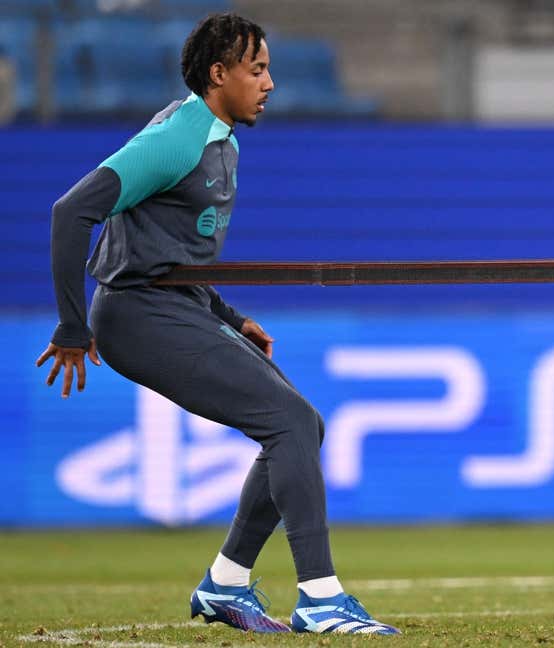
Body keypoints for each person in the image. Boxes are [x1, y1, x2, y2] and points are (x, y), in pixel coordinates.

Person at [37, 13, 398, 636]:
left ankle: (224, 586)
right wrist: (72, 326)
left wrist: (230, 317)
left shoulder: (221, 140)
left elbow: (167, 254)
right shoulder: (180, 135)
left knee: (302, 424)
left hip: (177, 306)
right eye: (257, 69)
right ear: (218, 74)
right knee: (285, 421)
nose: (270, 83)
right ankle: (320, 598)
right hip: (136, 315)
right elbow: (71, 212)